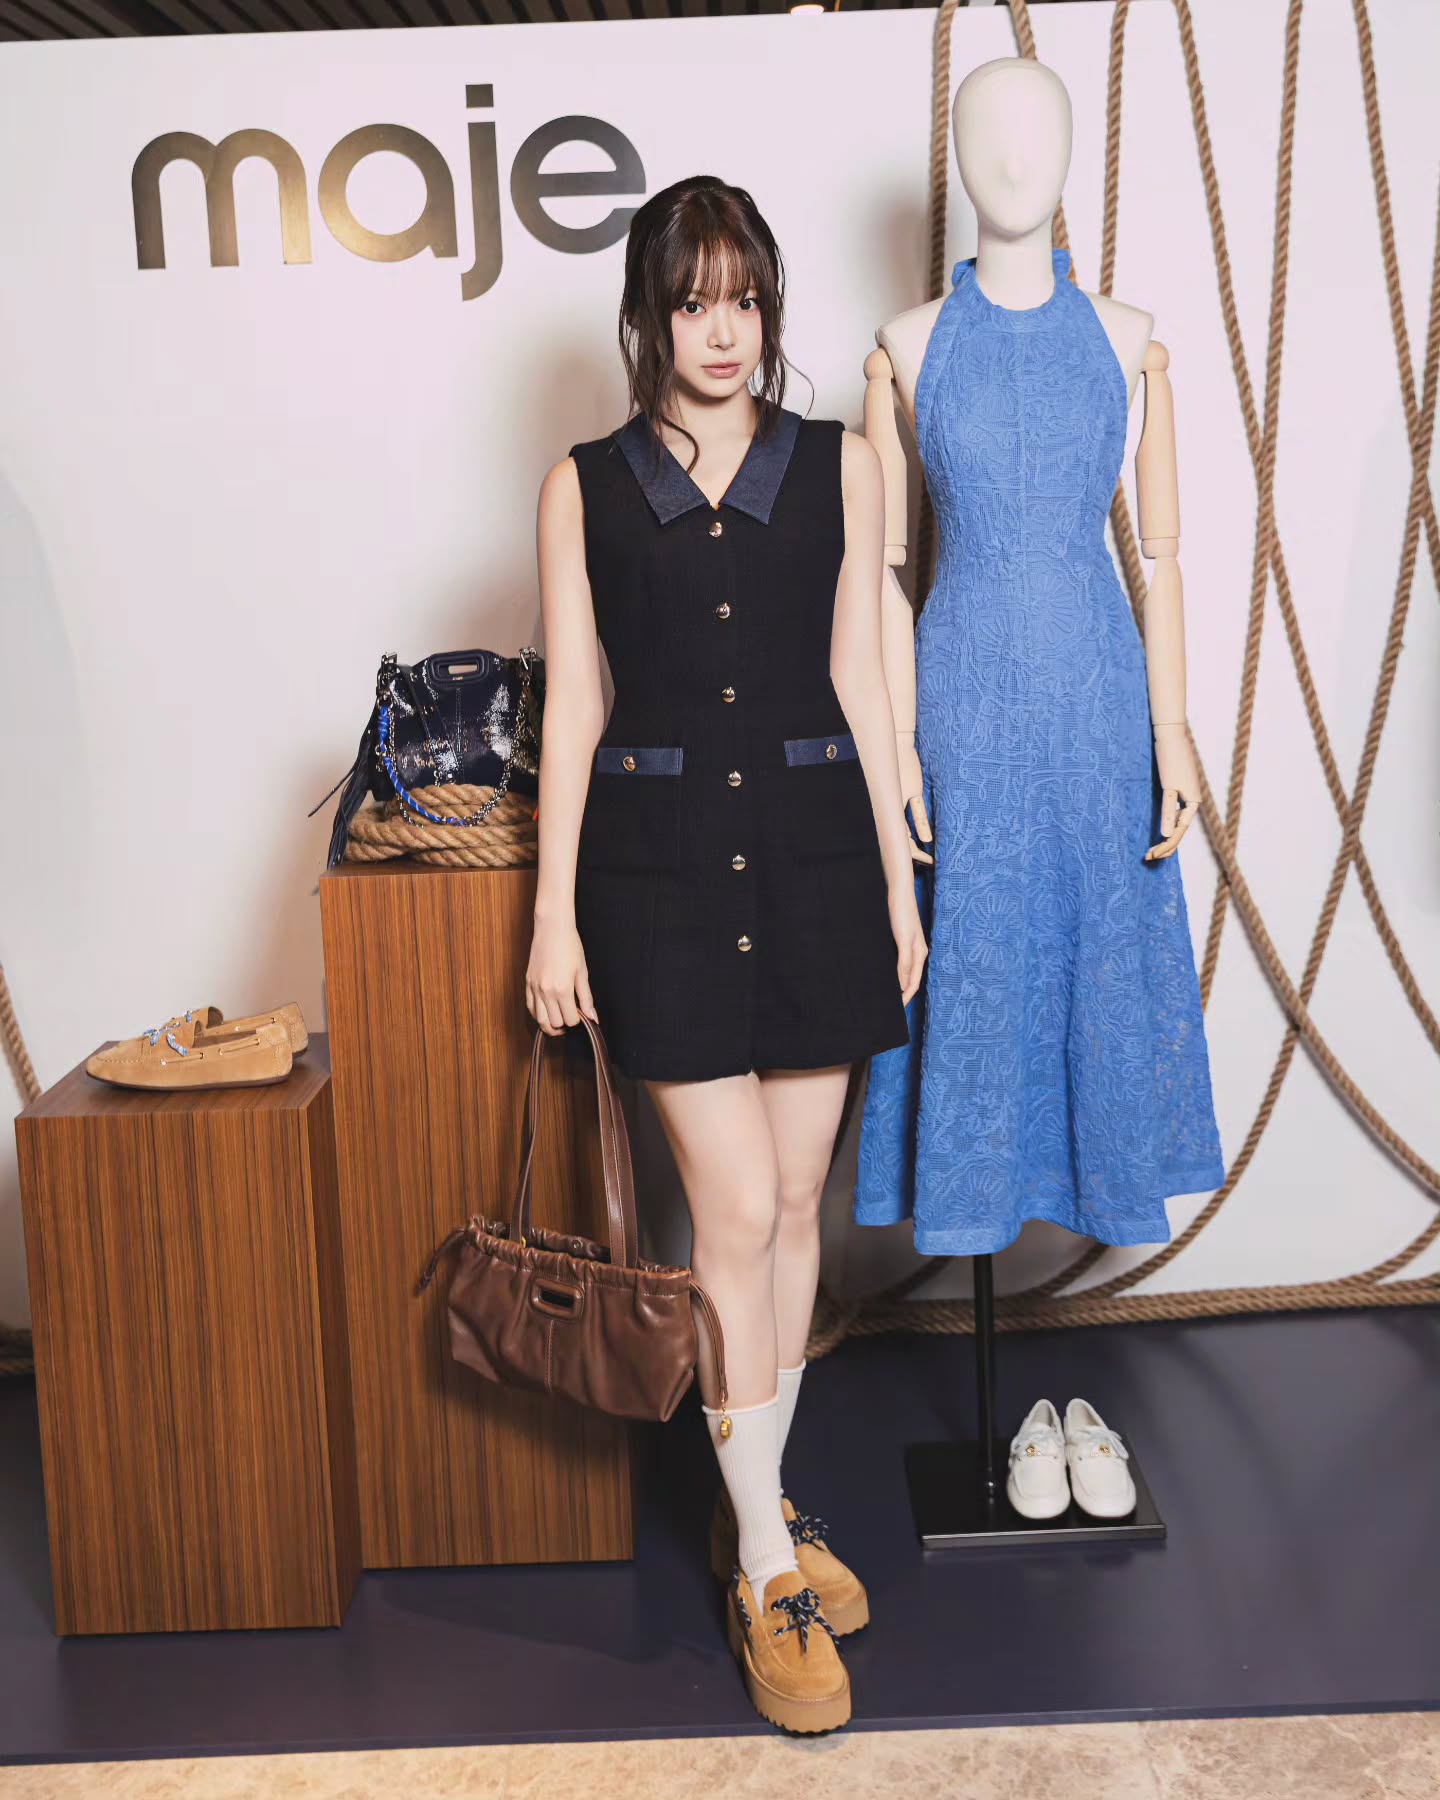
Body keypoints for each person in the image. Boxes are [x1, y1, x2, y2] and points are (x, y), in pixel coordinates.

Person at [524, 174, 927, 1734]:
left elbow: (861, 682)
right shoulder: (584, 488)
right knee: (736, 1210)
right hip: (662, 889)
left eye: (744, 299)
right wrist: (553, 913)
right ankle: (764, 1557)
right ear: (648, 314)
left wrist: (897, 887)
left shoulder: (841, 466)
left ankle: (757, 1499)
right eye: (693, 302)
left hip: (821, 872)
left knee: (797, 1207)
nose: (723, 330)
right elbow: (576, 705)